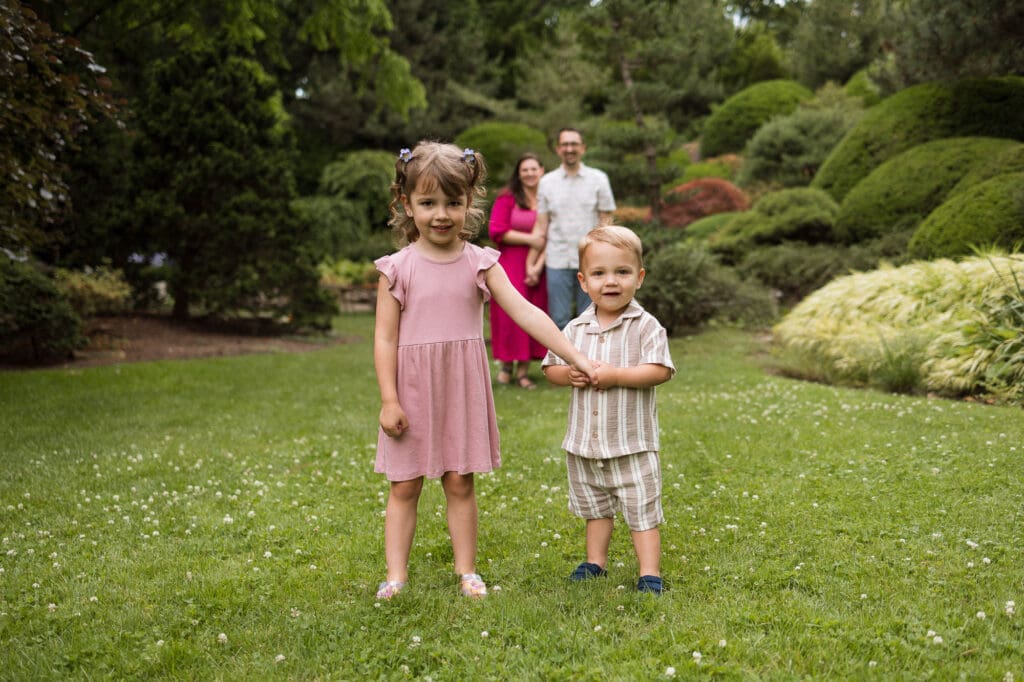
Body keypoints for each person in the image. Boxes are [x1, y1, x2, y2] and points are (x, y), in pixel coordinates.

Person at [373, 141, 597, 600]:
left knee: (459, 480)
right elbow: (385, 339)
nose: (441, 214)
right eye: (428, 203)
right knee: (405, 484)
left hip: (460, 386)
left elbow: (526, 314)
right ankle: (395, 576)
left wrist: (574, 355)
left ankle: (467, 571)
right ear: (406, 204)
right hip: (412, 389)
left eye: (453, 203)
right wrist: (390, 399)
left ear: (469, 202)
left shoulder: (481, 262)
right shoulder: (396, 269)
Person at [541, 225, 675, 594]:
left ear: (639, 277)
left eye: (622, 272)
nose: (610, 282)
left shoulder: (646, 326)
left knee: (641, 509)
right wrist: (568, 374)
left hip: (631, 442)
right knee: (594, 507)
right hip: (585, 443)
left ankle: (649, 572)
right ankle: (594, 562)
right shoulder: (574, 328)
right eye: (599, 274)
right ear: (583, 282)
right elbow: (550, 369)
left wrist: (616, 375)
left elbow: (660, 370)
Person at [527, 127, 616, 330]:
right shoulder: (547, 182)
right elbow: (542, 227)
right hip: (557, 259)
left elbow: (606, 219)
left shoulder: (599, 179)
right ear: (558, 149)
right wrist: (531, 264)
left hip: (591, 260)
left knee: (592, 318)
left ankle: (590, 361)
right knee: (559, 320)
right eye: (565, 144)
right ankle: (564, 362)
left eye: (574, 144)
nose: (569, 149)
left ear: (583, 148)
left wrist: (605, 252)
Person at [488, 153, 548, 389]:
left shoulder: (548, 198)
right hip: (511, 262)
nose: (530, 173)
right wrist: (531, 239)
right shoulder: (507, 198)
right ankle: (506, 366)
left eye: (534, 169)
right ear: (518, 173)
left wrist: (538, 264)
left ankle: (523, 371)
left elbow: (553, 235)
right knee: (509, 314)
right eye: (525, 170)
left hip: (539, 265)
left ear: (542, 170)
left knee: (534, 312)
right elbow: (497, 230)